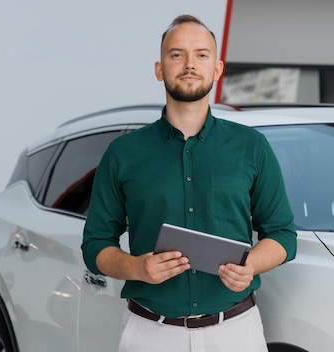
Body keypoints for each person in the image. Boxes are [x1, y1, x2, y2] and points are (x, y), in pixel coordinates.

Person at [82, 14, 297, 352]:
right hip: (149, 333)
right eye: (176, 54)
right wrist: (136, 267)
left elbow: (283, 235)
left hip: (235, 333)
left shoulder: (251, 147)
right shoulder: (122, 153)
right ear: (159, 68)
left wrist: (251, 264)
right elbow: (95, 246)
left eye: (201, 54)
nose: (189, 64)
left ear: (217, 68)